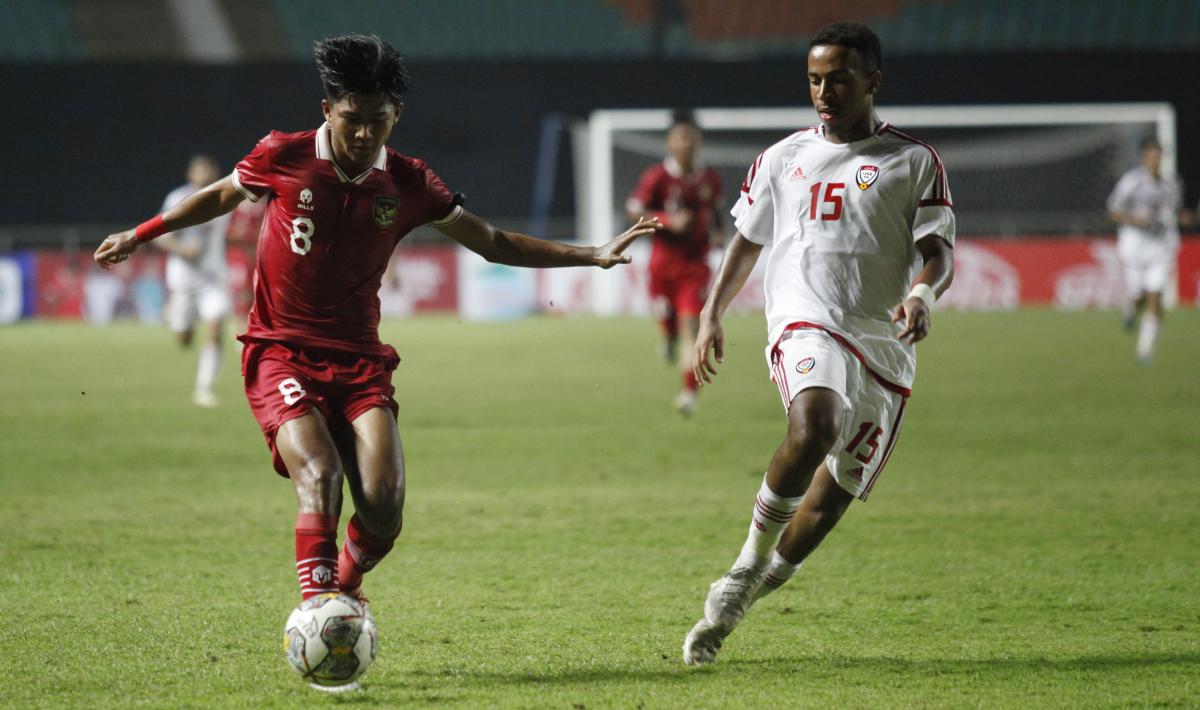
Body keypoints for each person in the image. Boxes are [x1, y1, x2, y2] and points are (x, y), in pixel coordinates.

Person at [95, 33, 660, 687]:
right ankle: (318, 607)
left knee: (386, 505)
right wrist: (140, 235)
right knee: (321, 474)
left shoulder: (410, 182)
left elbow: (493, 241)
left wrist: (588, 254)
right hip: (281, 350)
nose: (363, 133)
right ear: (328, 109)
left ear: (396, 118)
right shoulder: (282, 153)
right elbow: (221, 196)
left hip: (361, 362)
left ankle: (348, 585)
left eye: (378, 120)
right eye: (351, 118)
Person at [680, 21, 955, 666]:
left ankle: (741, 600)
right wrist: (711, 313)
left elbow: (938, 255)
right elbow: (747, 239)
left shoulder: (914, 161)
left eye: (837, 78)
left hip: (883, 345)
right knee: (815, 423)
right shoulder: (782, 158)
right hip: (806, 319)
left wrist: (921, 296)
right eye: (813, 79)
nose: (823, 91)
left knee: (828, 504)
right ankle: (746, 565)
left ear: (872, 81)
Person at [625, 111, 722, 416]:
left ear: (698, 141)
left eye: (691, 137)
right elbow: (633, 211)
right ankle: (666, 337)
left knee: (690, 326)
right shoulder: (657, 177)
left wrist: (720, 234)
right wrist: (667, 220)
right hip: (661, 267)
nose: (686, 143)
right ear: (669, 142)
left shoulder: (709, 179)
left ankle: (689, 393)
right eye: (681, 137)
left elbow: (719, 214)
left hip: (695, 267)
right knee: (670, 327)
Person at [154, 155, 232, 407]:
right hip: (184, 279)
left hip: (213, 278)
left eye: (209, 169)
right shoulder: (178, 198)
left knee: (216, 327)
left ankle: (204, 389)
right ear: (190, 174)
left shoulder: (224, 196)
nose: (205, 174)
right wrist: (183, 250)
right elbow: (158, 235)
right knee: (184, 339)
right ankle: (175, 319)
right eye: (200, 170)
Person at [1106, 137, 1188, 364]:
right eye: (1151, 156)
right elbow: (1113, 211)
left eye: (1158, 157)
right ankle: (1130, 309)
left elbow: (1177, 212)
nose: (1154, 161)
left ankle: (1144, 349)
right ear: (1144, 158)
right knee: (1138, 295)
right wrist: (1134, 219)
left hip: (1160, 248)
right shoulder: (1132, 182)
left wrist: (1188, 218)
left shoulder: (1172, 184)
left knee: (1156, 296)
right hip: (1134, 246)